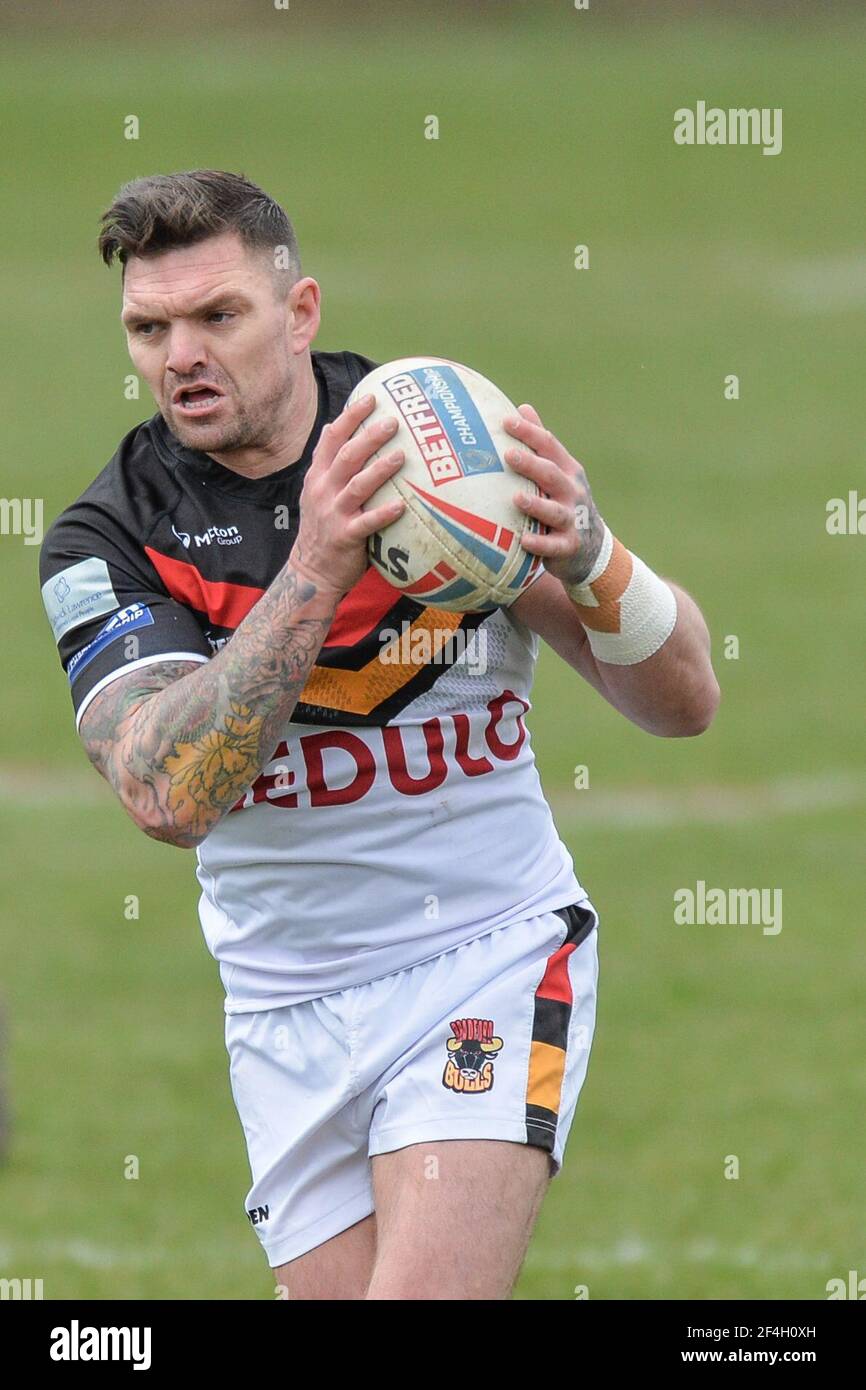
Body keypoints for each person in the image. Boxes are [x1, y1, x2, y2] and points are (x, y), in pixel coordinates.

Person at [39, 170, 719, 1300]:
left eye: (218, 316)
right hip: (280, 1006)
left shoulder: (437, 447)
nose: (180, 357)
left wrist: (595, 556)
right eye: (148, 328)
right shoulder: (107, 538)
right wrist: (313, 565)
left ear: (298, 312)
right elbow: (168, 796)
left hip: (481, 956)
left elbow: (681, 699)